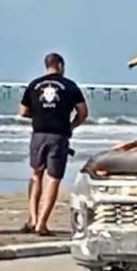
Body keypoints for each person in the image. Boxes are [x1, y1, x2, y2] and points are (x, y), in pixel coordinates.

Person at [18, 53, 89, 236]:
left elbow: (23, 111)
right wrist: (71, 125)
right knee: (54, 178)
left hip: (38, 134)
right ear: (60, 65)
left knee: (35, 175)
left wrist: (40, 115)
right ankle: (41, 223)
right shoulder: (70, 86)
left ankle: (33, 219)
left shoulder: (34, 85)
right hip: (58, 135)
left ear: (47, 66)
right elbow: (83, 112)